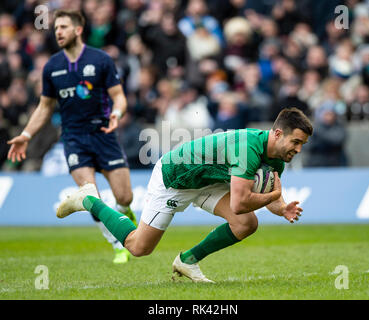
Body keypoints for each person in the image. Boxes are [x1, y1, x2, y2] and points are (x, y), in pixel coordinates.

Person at [56, 107, 313, 282]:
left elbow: (268, 191)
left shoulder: (278, 156)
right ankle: (89, 199)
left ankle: (187, 261)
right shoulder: (248, 148)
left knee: (246, 224)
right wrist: (273, 197)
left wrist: (280, 207)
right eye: (296, 142)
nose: (298, 149)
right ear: (278, 134)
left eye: (302, 144)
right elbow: (240, 201)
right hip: (177, 177)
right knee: (138, 247)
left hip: (208, 180)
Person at [7, 10, 137, 264]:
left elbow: (119, 95)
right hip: (75, 138)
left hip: (104, 134)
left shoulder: (101, 60)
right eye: (56, 27)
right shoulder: (52, 67)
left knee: (125, 197)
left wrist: (118, 112)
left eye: (64, 27)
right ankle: (117, 243)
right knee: (90, 197)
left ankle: (125, 214)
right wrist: (25, 134)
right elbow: (45, 108)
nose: (58, 32)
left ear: (78, 30)